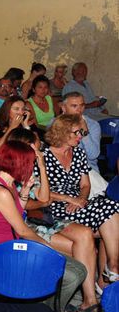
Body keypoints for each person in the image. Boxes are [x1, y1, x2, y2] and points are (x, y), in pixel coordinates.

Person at [0, 140, 98, 312]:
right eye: (30, 163)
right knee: (72, 275)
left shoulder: (8, 183)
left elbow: (18, 212)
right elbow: (23, 231)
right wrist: (49, 249)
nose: (32, 167)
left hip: (15, 244)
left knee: (80, 269)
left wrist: (25, 191)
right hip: (2, 251)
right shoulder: (0, 191)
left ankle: (44, 308)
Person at [42, 114, 119, 290]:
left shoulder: (78, 152)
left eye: (82, 132)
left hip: (78, 203)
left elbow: (85, 184)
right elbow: (40, 192)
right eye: (77, 133)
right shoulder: (44, 156)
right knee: (109, 224)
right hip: (53, 206)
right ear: (62, 132)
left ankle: (112, 267)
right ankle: (106, 277)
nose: (80, 137)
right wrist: (70, 199)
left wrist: (82, 199)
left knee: (113, 207)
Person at [55, 92, 101, 172]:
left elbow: (93, 155)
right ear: (63, 108)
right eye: (74, 106)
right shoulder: (54, 123)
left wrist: (84, 132)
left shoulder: (93, 125)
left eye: (82, 105)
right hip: (61, 168)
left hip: (87, 169)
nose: (79, 109)